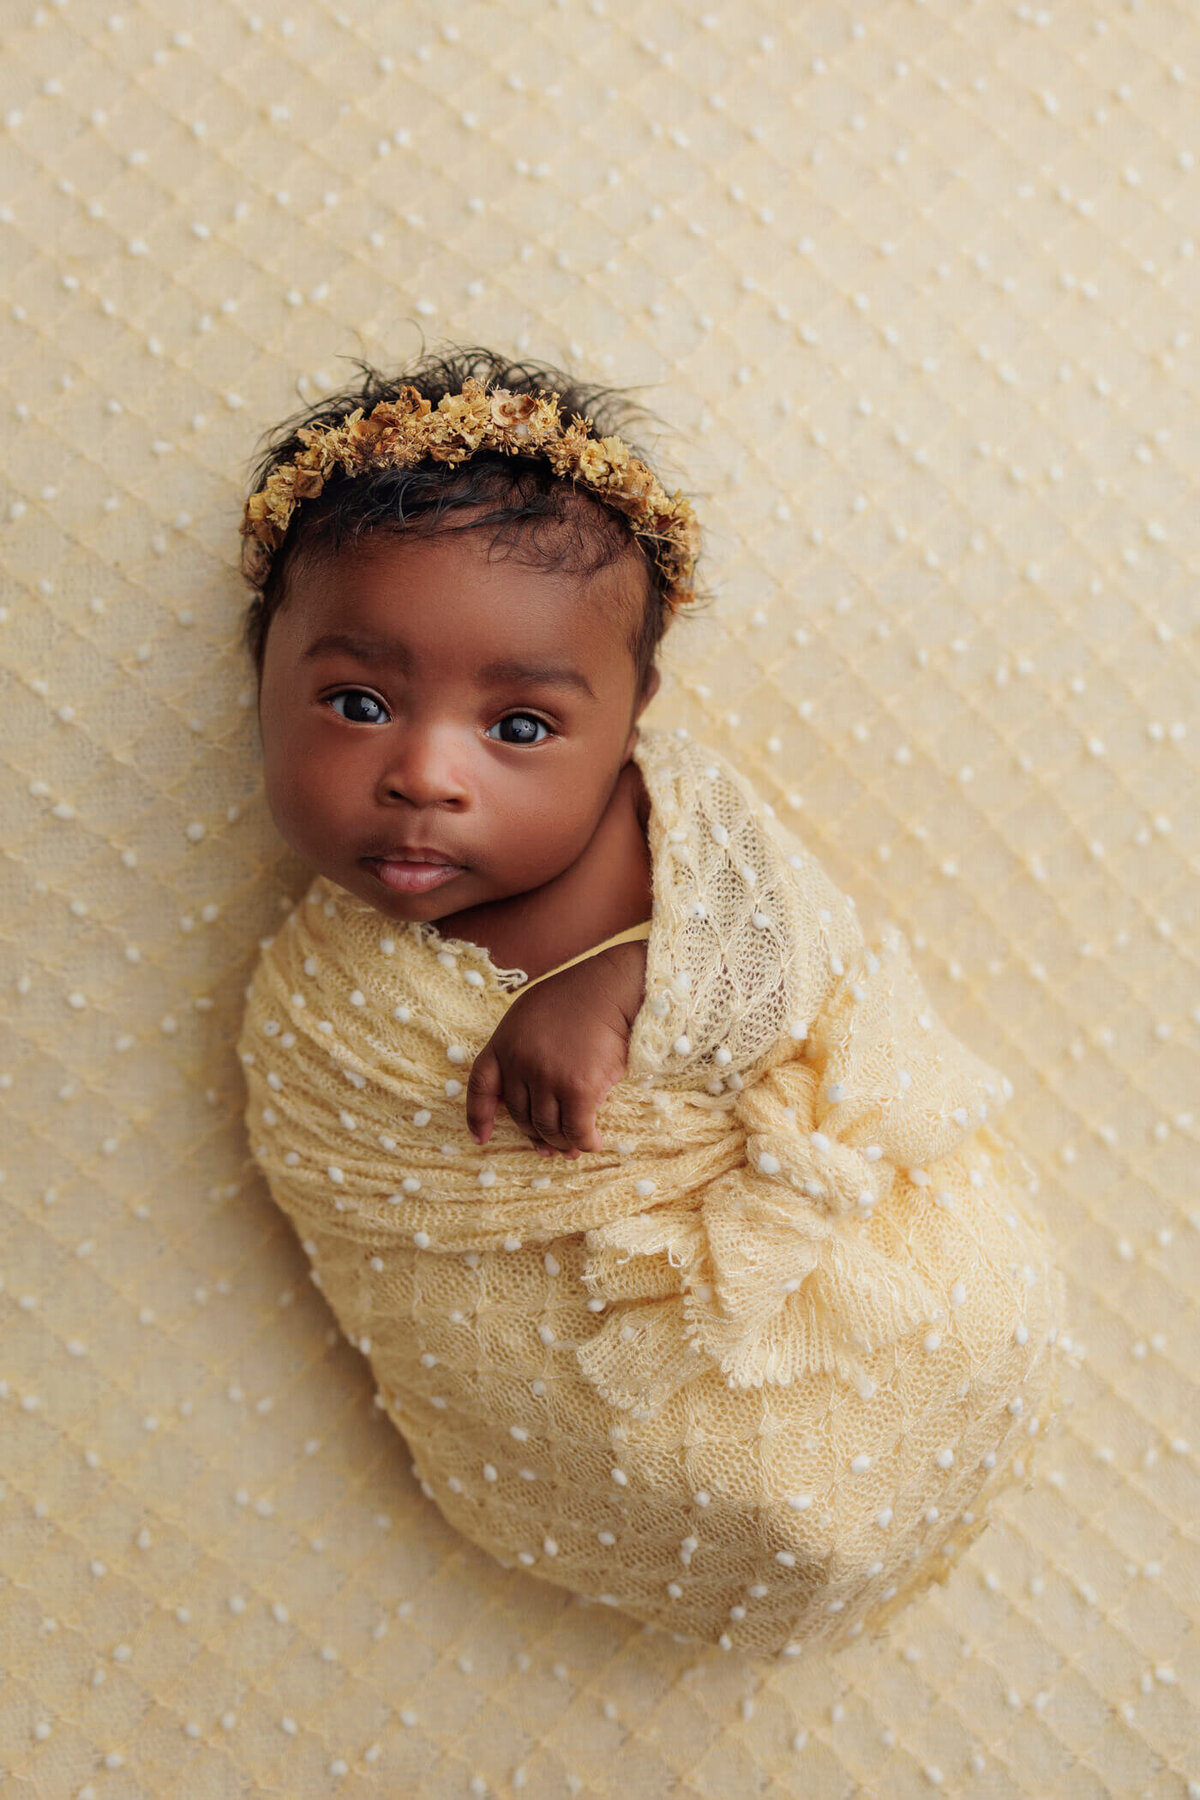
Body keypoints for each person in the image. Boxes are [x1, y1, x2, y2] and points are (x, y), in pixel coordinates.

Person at [237, 346, 1066, 1658]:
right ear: (263, 692)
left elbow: (803, 965)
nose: (425, 774)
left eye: (518, 727)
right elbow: (341, 1182)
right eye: (356, 703)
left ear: (630, 718)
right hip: (576, 1366)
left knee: (951, 1316)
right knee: (636, 1445)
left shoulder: (678, 833)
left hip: (817, 1246)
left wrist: (624, 980)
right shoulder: (325, 995)